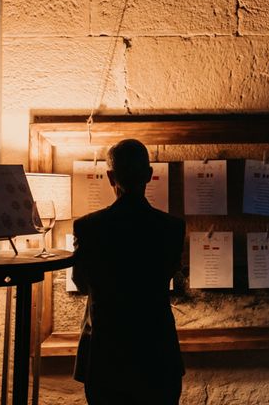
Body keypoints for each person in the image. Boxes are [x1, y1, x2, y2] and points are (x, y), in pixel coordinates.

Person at [72, 139, 185, 405]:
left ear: (110, 176)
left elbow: (80, 283)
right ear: (149, 174)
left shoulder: (88, 227)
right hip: (157, 349)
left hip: (106, 353)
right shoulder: (172, 227)